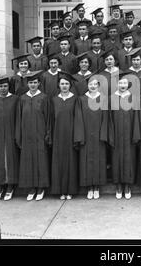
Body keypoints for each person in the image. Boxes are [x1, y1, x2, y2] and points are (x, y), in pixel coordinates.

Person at [15, 70, 51, 201]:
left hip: (40, 135)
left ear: (39, 83)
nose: (33, 85)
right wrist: (18, 136)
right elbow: (18, 119)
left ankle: (41, 187)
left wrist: (48, 134)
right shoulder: (22, 99)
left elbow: (48, 118)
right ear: (27, 84)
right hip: (27, 135)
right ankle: (31, 188)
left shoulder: (44, 98)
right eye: (30, 82)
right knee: (28, 161)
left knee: (41, 160)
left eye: (35, 82)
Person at [74, 75, 109, 199]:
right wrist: (80, 136)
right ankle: (89, 187)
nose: (93, 86)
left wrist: (104, 135)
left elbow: (106, 118)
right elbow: (78, 119)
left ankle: (97, 186)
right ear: (87, 86)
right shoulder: (81, 99)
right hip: (86, 136)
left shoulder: (104, 99)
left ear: (98, 86)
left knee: (99, 160)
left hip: (99, 136)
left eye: (95, 84)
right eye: (90, 84)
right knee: (87, 161)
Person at [108, 72, 138, 199]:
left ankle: (127, 185)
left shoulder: (133, 98)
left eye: (125, 83)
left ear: (128, 84)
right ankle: (119, 185)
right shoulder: (111, 98)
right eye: (120, 83)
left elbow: (136, 117)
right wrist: (110, 135)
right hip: (116, 133)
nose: (122, 85)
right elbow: (109, 118)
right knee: (116, 158)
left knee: (129, 158)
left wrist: (135, 134)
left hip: (129, 134)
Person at [50, 71, 79, 200]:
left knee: (71, 163)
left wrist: (77, 137)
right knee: (59, 163)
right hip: (57, 136)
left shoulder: (75, 99)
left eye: (67, 83)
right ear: (59, 85)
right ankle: (61, 190)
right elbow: (50, 120)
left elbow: (78, 119)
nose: (64, 86)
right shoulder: (54, 100)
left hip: (71, 135)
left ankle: (70, 190)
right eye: (62, 84)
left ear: (70, 85)